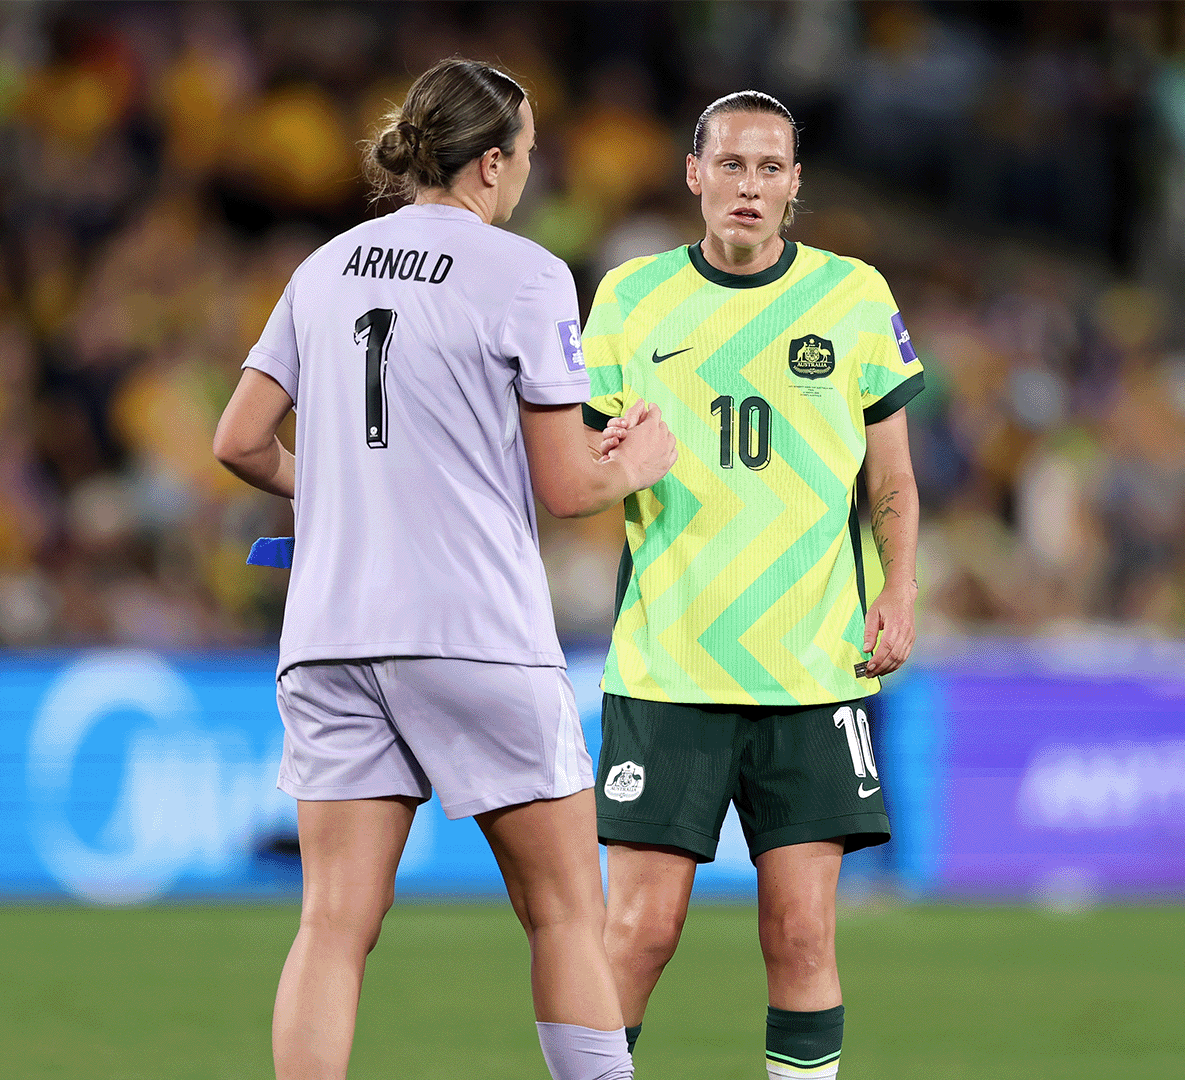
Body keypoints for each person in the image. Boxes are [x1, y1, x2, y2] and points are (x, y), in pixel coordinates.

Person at [211, 58, 675, 1080]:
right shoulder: (526, 273)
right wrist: (634, 462)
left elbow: (238, 440)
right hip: (473, 629)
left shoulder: (324, 266)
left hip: (330, 632)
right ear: (492, 163)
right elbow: (568, 488)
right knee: (564, 912)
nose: (530, 176)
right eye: (529, 155)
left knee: (333, 923)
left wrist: (338, 492)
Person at [582, 90, 924, 1079]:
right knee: (639, 931)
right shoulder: (631, 298)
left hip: (810, 668)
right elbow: (576, 465)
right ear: (694, 173)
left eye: (770, 167)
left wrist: (899, 588)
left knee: (802, 933)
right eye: (730, 163)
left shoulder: (852, 295)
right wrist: (612, 458)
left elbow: (891, 477)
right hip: (668, 665)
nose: (749, 184)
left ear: (795, 184)